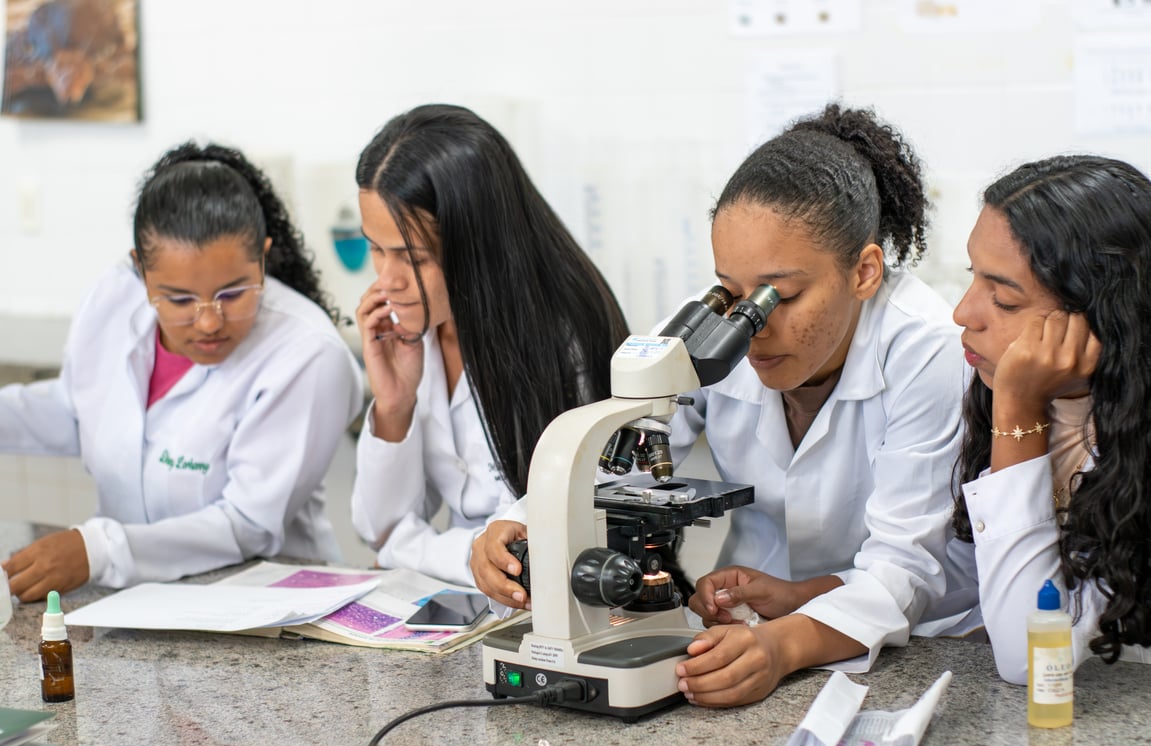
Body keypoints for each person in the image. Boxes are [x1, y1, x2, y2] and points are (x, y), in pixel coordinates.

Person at [471, 103, 976, 707]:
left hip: (917, 652)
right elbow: (619, 456)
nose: (751, 326)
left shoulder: (927, 349)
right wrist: (523, 522)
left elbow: (904, 570)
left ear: (864, 271)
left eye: (780, 295)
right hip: (745, 629)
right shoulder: (712, 330)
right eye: (731, 293)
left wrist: (783, 646)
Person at [0, 142, 363, 602]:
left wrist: (101, 550)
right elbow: (79, 410)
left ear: (263, 258)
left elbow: (248, 524)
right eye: (179, 299)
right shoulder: (113, 298)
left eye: (233, 294)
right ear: (140, 270)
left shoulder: (307, 353)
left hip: (267, 611)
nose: (209, 321)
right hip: (130, 606)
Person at [350, 104, 630, 586]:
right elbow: (380, 532)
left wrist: (413, 550)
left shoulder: (565, 333)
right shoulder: (413, 334)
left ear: (477, 245)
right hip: (456, 601)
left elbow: (517, 551)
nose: (387, 280)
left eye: (412, 257)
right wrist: (394, 406)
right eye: (376, 249)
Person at [951, 154, 1151, 684]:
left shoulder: (1026, 401)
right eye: (972, 277)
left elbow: (1033, 660)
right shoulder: (987, 384)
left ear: (1102, 317)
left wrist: (1018, 414)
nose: (963, 313)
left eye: (1004, 300)